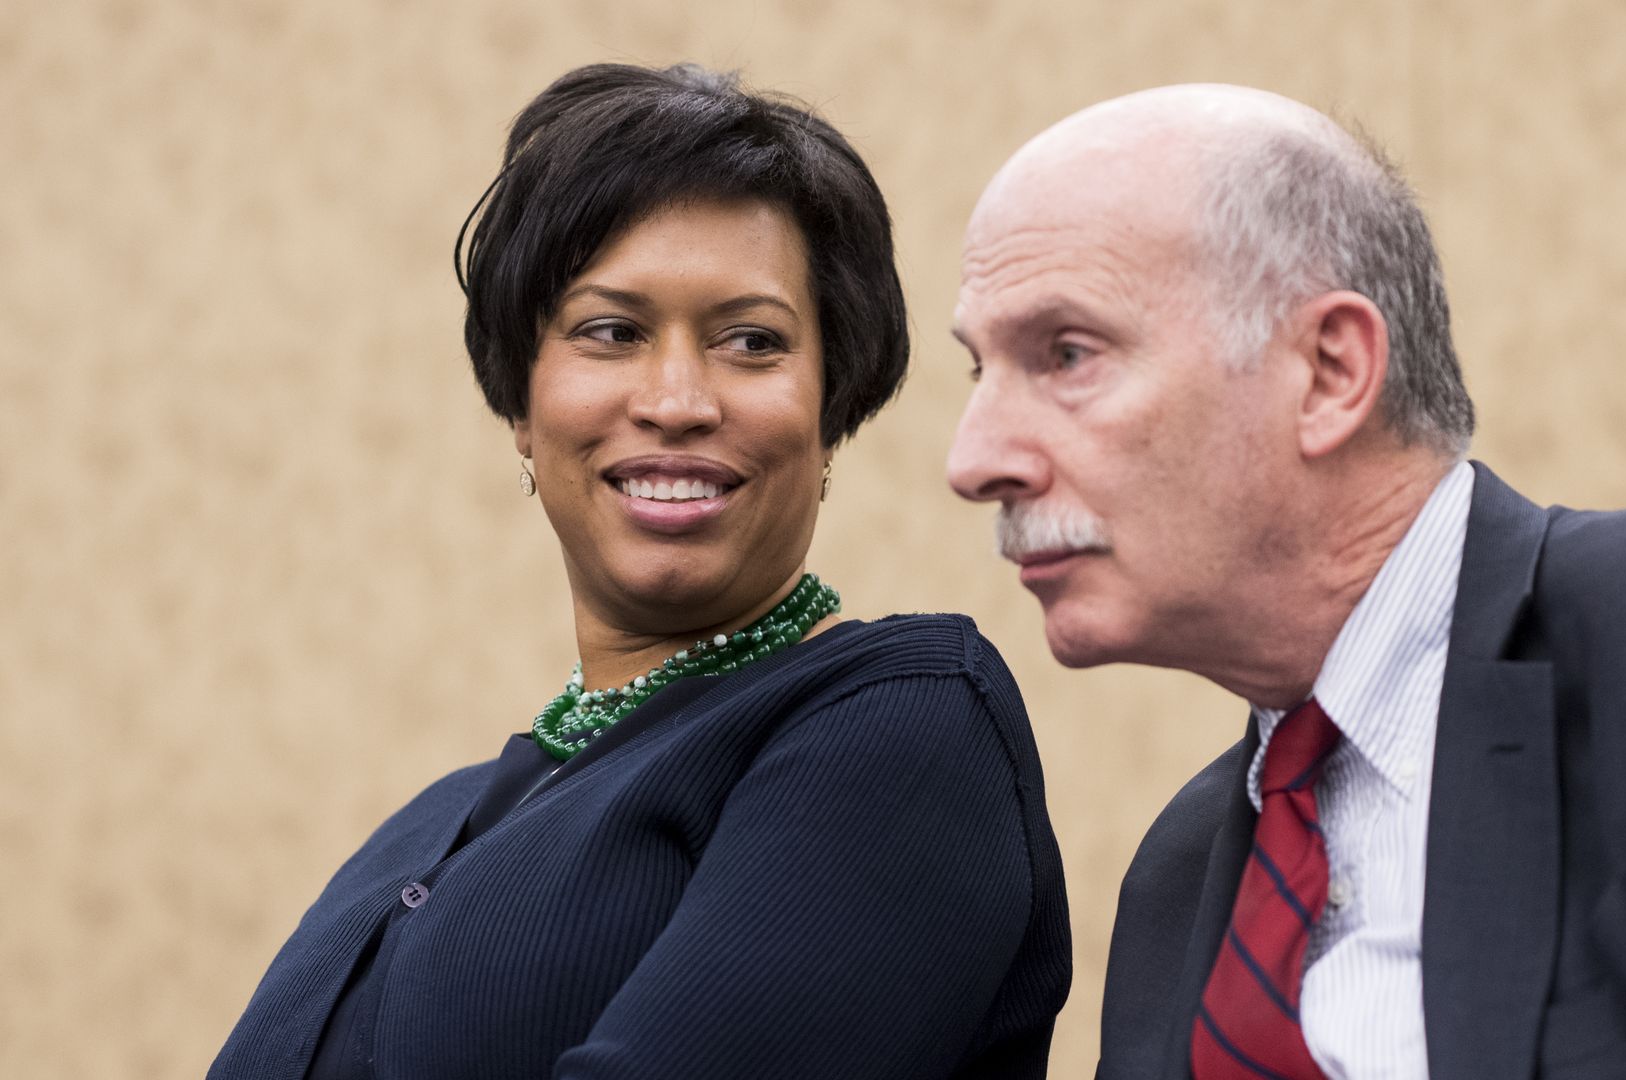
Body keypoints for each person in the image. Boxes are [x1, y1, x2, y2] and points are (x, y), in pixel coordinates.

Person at [947, 84, 1626, 1080]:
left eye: (1068, 354)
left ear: (1331, 372)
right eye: (978, 374)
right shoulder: (1177, 878)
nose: (974, 459)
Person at [211, 63, 1070, 1080]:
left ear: (832, 411)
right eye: (610, 332)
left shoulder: (897, 725)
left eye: (751, 342)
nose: (675, 399)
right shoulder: (432, 823)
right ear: (522, 411)